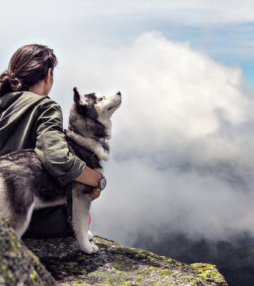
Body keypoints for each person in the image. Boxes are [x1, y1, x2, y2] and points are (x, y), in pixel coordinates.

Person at [0, 44, 103, 238]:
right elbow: (55, 156)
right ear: (48, 74)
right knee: (81, 215)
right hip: (26, 217)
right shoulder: (45, 106)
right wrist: (97, 180)